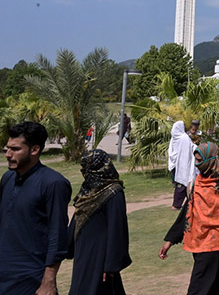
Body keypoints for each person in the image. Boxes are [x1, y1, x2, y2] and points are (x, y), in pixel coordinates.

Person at [0, 121, 71, 294]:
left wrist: (49, 280)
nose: (8, 154)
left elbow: (58, 233)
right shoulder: (8, 178)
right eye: (7, 149)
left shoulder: (54, 183)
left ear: (34, 150)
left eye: (15, 149)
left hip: (31, 277)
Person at [160, 142, 219, 295]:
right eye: (195, 160)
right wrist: (170, 240)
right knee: (217, 286)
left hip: (216, 242)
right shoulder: (197, 182)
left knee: (198, 287)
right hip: (198, 240)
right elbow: (188, 211)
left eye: (199, 161)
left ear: (210, 160)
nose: (197, 164)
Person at [67, 149, 131, 295]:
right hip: (83, 251)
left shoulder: (113, 192)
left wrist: (111, 265)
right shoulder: (87, 189)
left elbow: (117, 229)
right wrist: (67, 245)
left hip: (101, 255)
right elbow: (77, 219)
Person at [168, 121, 197, 210]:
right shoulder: (184, 138)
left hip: (176, 164)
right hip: (182, 165)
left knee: (181, 184)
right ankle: (177, 205)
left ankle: (185, 203)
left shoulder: (175, 137)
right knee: (183, 183)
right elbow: (189, 149)